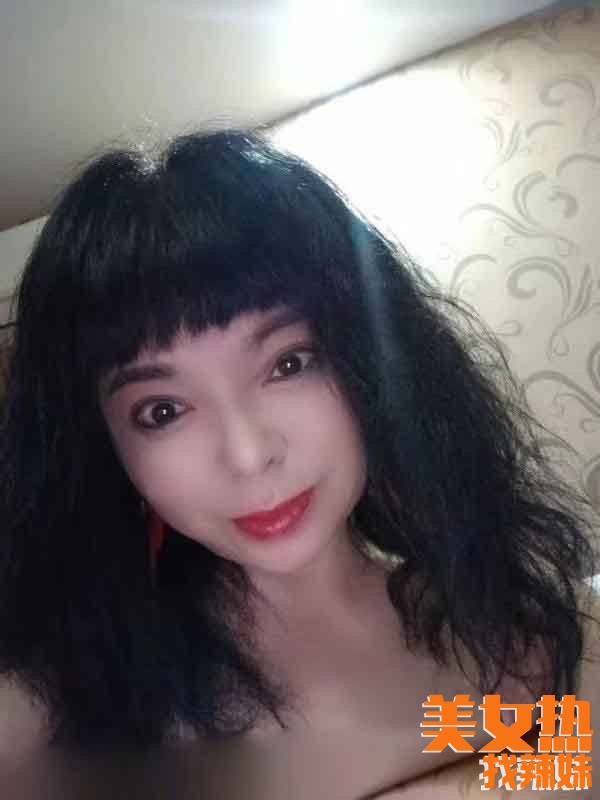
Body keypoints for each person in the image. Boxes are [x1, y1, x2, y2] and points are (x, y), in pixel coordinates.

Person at [0, 129, 597, 795]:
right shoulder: (48, 724)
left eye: (289, 363)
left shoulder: (522, 633)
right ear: (107, 451)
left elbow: (557, 779)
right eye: (162, 410)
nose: (249, 454)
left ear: (369, 361)